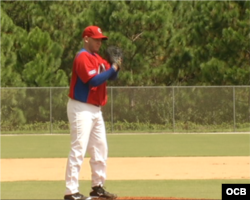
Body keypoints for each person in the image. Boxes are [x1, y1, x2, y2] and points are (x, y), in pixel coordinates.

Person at [64, 25, 120, 200]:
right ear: (86, 39)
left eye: (101, 39)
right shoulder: (82, 57)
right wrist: (113, 68)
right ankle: (71, 191)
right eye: (96, 39)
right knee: (78, 149)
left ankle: (97, 186)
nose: (99, 42)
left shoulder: (97, 58)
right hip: (81, 108)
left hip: (96, 109)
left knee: (100, 149)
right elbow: (93, 81)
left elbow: (112, 76)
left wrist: (115, 66)